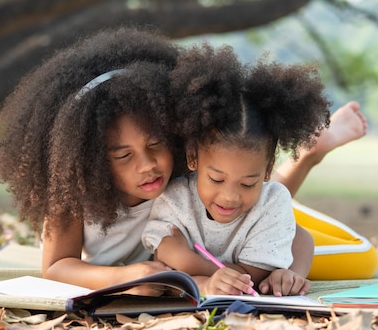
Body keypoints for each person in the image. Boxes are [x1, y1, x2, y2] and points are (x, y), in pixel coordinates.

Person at [0, 27, 366, 294]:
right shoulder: (72, 193)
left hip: (246, 220)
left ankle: (307, 156)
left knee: (350, 253)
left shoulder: (180, 172)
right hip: (204, 249)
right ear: (88, 158)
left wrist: (290, 271)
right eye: (123, 155)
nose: (148, 165)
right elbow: (56, 267)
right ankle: (305, 156)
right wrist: (126, 278)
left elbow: (259, 199)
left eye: (156, 144)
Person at [141, 43, 331, 296]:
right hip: (282, 237)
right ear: (192, 157)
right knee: (298, 236)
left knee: (362, 258)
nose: (230, 196)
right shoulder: (175, 198)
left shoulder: (273, 202)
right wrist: (196, 270)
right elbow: (163, 262)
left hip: (290, 239)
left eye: (247, 183)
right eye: (216, 179)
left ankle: (315, 150)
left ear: (268, 169)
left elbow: (255, 278)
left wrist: (189, 264)